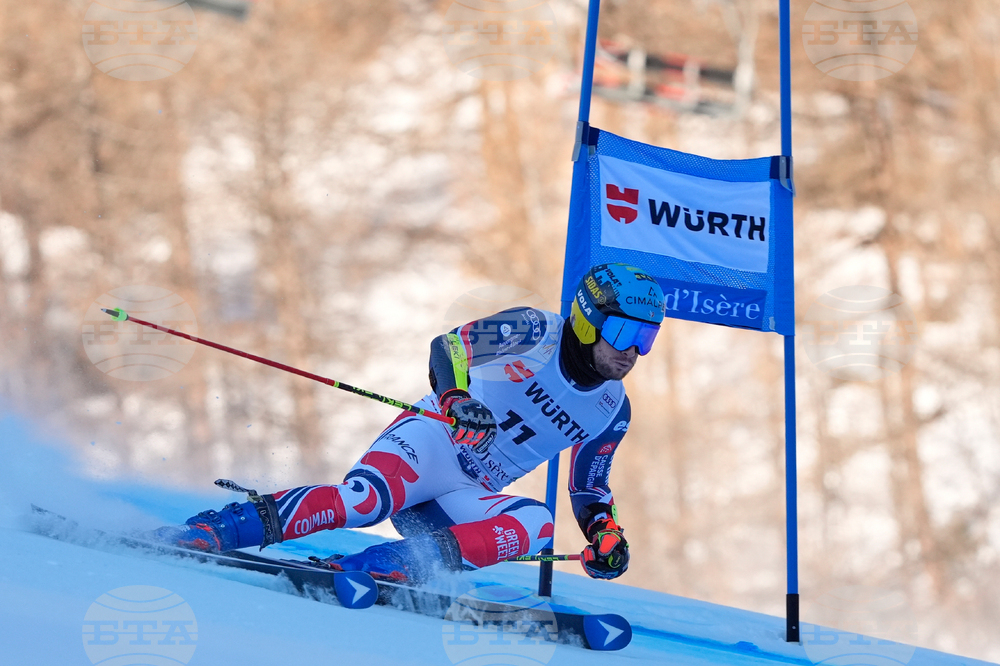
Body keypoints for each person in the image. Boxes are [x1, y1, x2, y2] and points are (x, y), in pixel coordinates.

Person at [160, 263, 665, 584]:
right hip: (432, 443)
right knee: (363, 501)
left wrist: (606, 534)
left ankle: (392, 567)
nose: (631, 352)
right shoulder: (535, 331)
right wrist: (456, 398)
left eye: (646, 338)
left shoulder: (611, 409)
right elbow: (449, 347)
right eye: (622, 331)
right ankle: (217, 528)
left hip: (467, 493)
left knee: (539, 524)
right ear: (585, 319)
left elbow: (589, 489)